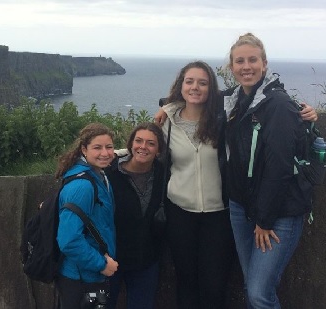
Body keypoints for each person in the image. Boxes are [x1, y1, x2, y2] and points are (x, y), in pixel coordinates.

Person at [225, 33, 313, 308]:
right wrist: (166, 107)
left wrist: (264, 219)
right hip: (241, 206)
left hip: (278, 214)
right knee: (254, 284)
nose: (246, 66)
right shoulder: (234, 101)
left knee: (259, 293)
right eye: (240, 61)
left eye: (253, 60)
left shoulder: (278, 105)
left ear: (264, 64)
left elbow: (279, 167)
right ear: (232, 68)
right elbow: (196, 95)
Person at [159, 60, 235, 309]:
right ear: (181, 85)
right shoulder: (166, 123)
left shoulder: (223, 118)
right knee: (186, 280)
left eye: (203, 83)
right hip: (179, 212)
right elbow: (144, 152)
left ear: (211, 88)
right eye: (189, 81)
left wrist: (301, 109)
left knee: (215, 284)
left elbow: (255, 98)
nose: (195, 87)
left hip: (218, 214)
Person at [54, 122, 119, 309]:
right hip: (83, 277)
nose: (105, 153)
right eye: (97, 148)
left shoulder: (99, 176)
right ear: (84, 149)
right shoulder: (82, 186)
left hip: (91, 274)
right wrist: (101, 264)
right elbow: (68, 240)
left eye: (109, 147)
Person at [104, 122, 167, 309]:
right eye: (138, 141)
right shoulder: (109, 172)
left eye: (151, 143)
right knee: (98, 306)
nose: (143, 147)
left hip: (145, 261)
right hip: (107, 261)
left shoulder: (164, 175)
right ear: (130, 144)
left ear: (158, 150)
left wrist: (167, 107)